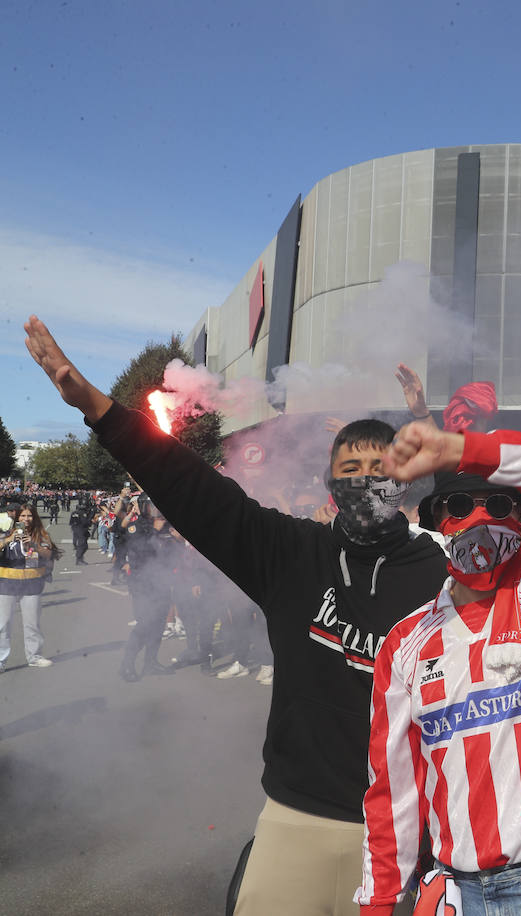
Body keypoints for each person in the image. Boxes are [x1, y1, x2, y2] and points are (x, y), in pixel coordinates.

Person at [24, 315, 448, 915]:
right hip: (295, 817)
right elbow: (194, 489)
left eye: (380, 470)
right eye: (349, 472)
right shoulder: (293, 553)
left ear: (406, 481)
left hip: (405, 832)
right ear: (329, 484)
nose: (365, 483)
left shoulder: (443, 572)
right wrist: (96, 406)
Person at [356, 425, 521, 915]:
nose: (480, 519)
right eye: (459, 507)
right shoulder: (404, 643)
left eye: (499, 506)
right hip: (456, 893)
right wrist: (378, 903)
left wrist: (464, 450)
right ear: (438, 521)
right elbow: (392, 792)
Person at [119, 496, 178, 681]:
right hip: (143, 584)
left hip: (162, 582)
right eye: (151, 506)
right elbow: (141, 552)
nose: (155, 509)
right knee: (144, 625)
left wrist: (176, 539)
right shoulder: (136, 526)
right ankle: (126, 665)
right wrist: (155, 530)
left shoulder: (166, 524)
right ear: (144, 507)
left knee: (159, 625)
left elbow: (173, 553)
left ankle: (151, 662)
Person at [0, 503, 58, 668]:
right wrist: (8, 540)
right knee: (3, 624)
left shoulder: (41, 536)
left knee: (32, 623)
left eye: (29, 516)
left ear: (34, 517)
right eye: (22, 516)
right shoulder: (5, 534)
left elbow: (50, 553)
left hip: (32, 585)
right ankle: (0, 660)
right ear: (16, 517)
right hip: (6, 584)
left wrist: (34, 545)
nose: (26, 519)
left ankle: (34, 656)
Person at [70, 497, 93, 565]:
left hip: (75, 529)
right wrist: (90, 520)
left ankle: (80, 558)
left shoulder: (74, 512)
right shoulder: (83, 513)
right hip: (81, 529)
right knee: (83, 545)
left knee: (82, 545)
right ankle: (79, 559)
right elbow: (85, 522)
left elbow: (71, 522)